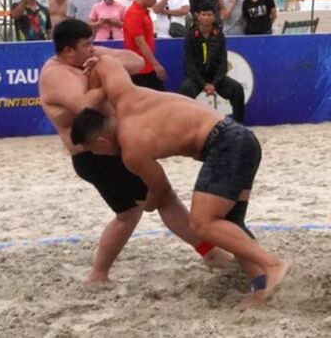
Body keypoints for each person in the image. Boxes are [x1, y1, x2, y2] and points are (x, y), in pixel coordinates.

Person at [70, 55, 290, 310]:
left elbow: (161, 191)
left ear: (100, 142)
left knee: (203, 222)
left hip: (224, 145)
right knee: (229, 223)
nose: (99, 155)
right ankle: (261, 283)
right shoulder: (123, 94)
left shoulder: (131, 151)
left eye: (95, 151)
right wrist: (94, 62)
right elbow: (105, 63)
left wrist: (147, 204)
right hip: (240, 137)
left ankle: (273, 265)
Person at [38, 20, 231, 284]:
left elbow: (137, 61)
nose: (92, 48)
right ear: (68, 51)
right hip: (96, 154)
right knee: (164, 198)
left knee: (127, 214)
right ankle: (211, 254)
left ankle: (98, 274)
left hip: (110, 148)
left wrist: (104, 64)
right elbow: (84, 107)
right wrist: (111, 81)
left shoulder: (90, 56)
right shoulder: (56, 74)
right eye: (87, 45)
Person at [181, 3, 245, 122]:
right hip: (197, 78)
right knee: (185, 89)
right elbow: (190, 65)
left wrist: (214, 84)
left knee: (237, 89)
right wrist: (203, 84)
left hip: (215, 77)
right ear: (198, 16)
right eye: (203, 14)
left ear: (214, 17)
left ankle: (238, 124)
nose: (206, 17)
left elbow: (222, 63)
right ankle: (186, 124)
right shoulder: (190, 36)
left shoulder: (219, 35)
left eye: (209, 14)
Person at [123, 0, 167, 90]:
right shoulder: (134, 13)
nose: (155, 1)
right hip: (139, 68)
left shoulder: (144, 12)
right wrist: (156, 64)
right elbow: (141, 43)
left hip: (147, 66)